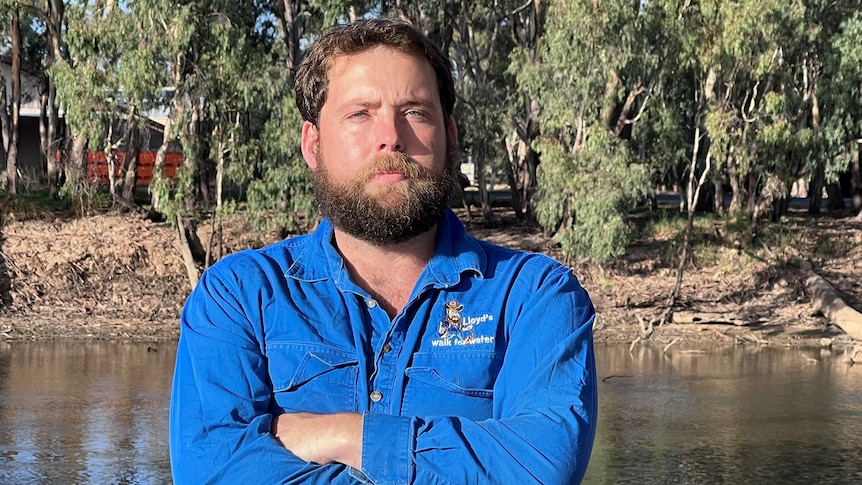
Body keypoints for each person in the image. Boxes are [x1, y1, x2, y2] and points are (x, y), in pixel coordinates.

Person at [169, 18, 598, 485]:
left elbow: (541, 468)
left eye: (415, 111)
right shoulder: (238, 296)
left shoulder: (534, 296)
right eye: (360, 113)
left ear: (450, 137)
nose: (391, 136)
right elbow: (211, 469)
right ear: (313, 144)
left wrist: (340, 435)